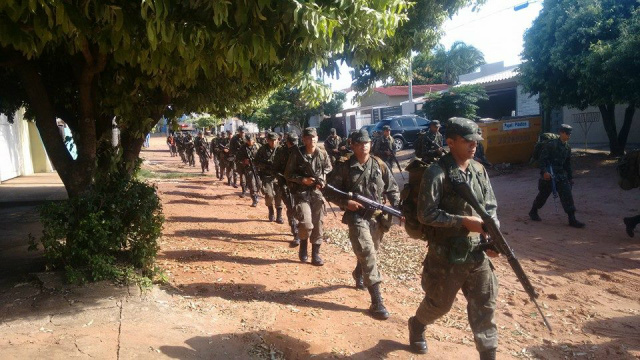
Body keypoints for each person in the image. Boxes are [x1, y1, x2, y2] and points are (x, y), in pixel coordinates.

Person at [408, 117, 500, 359]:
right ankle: (417, 325)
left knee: (485, 307)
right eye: (467, 141)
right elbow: (426, 214)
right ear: (450, 142)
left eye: (476, 141)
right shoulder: (436, 172)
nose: (473, 145)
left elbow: (490, 208)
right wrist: (461, 221)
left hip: (477, 253)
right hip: (446, 255)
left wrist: (493, 238)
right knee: (439, 305)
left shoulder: (479, 170)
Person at [326, 129, 400, 320]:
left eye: (366, 143)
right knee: (367, 252)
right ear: (352, 145)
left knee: (371, 251)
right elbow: (329, 191)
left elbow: (392, 189)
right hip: (356, 216)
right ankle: (377, 301)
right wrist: (345, 203)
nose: (364, 146)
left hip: (376, 217)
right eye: (359, 143)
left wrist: (399, 208)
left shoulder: (379, 164)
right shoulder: (344, 166)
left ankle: (358, 272)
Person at [284, 127, 332, 265]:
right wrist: (302, 180)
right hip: (301, 194)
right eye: (309, 138)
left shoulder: (322, 154)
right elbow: (288, 174)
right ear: (304, 139)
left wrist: (321, 180)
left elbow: (328, 169)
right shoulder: (296, 154)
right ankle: (303, 244)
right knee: (305, 223)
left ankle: (315, 254)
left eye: (314, 137)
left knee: (318, 224)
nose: (312, 140)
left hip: (317, 194)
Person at [528, 124, 585, 228]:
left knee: (567, 195)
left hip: (561, 175)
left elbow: (567, 164)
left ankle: (572, 219)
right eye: (567, 133)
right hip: (549, 175)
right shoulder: (551, 145)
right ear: (561, 133)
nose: (569, 135)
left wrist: (570, 177)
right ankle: (533, 211)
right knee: (543, 195)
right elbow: (542, 160)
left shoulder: (567, 147)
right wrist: (544, 172)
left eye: (570, 133)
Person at [274, 132, 302, 247]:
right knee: (291, 207)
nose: (293, 145)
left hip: (299, 185)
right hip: (285, 184)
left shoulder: (301, 151)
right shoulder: (281, 152)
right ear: (287, 142)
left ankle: (301, 229)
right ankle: (296, 233)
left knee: (300, 209)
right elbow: (275, 168)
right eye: (291, 143)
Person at [256, 132, 284, 222]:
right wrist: (265, 165)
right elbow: (256, 162)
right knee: (269, 195)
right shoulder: (262, 149)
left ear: (277, 140)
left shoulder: (281, 149)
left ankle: (279, 215)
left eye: (274, 140)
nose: (273, 142)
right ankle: (271, 211)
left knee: (279, 195)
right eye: (271, 140)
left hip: (278, 176)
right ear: (267, 140)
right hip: (267, 176)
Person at [237, 134, 261, 207]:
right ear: (246, 141)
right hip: (249, 168)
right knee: (252, 183)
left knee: (259, 183)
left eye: (251, 140)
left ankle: (257, 193)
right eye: (249, 141)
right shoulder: (243, 148)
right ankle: (254, 199)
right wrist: (244, 161)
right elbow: (237, 158)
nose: (250, 142)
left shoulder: (258, 146)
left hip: (258, 168)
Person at [230, 126, 247, 192]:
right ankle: (243, 190)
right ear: (239, 131)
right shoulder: (234, 139)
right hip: (239, 160)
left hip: (248, 160)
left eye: (243, 132)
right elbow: (231, 150)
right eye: (241, 132)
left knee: (249, 175)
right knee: (242, 174)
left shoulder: (247, 137)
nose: (242, 133)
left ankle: (248, 187)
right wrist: (238, 152)